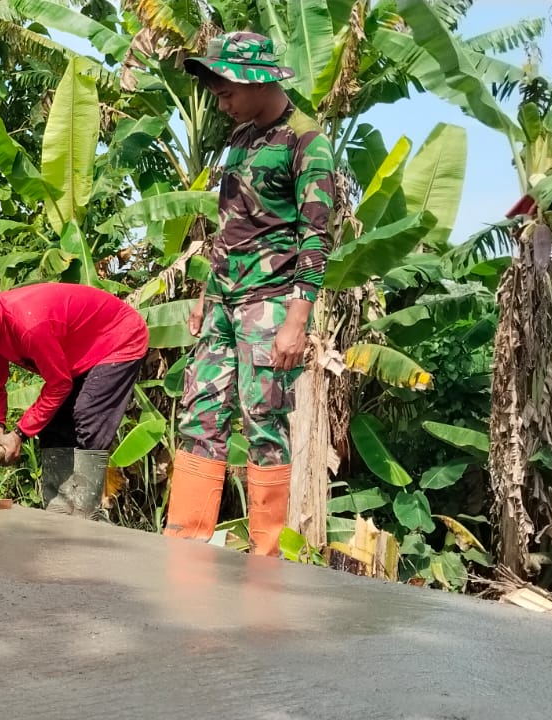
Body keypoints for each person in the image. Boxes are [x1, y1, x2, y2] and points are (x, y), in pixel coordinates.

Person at [166, 32, 335, 555]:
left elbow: (316, 237)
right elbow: (228, 227)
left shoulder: (306, 141)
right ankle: (184, 547)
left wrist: (296, 321)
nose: (222, 103)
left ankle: (265, 558)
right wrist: (206, 292)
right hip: (223, 299)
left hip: (272, 301)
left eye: (227, 92)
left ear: (258, 81)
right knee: (199, 413)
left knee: (263, 420)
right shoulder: (240, 138)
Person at [0, 274, 149, 519]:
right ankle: (58, 511)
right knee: (53, 423)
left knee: (88, 417)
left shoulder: (28, 324)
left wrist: (18, 434)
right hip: (77, 355)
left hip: (118, 339)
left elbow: (59, 384)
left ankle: (86, 512)